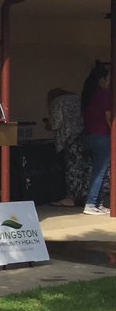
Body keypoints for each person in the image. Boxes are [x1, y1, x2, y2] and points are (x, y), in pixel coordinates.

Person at [45, 88, 88, 206]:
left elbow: (55, 123)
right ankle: (85, 196)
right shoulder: (79, 99)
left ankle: (71, 198)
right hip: (85, 135)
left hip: (69, 138)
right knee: (85, 168)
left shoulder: (57, 102)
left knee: (72, 169)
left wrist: (48, 125)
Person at [81, 61, 112, 215]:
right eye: (107, 79)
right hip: (102, 136)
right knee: (100, 172)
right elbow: (109, 117)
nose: (109, 82)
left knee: (98, 170)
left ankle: (97, 203)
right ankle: (91, 203)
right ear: (101, 79)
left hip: (89, 136)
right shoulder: (103, 94)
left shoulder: (88, 94)